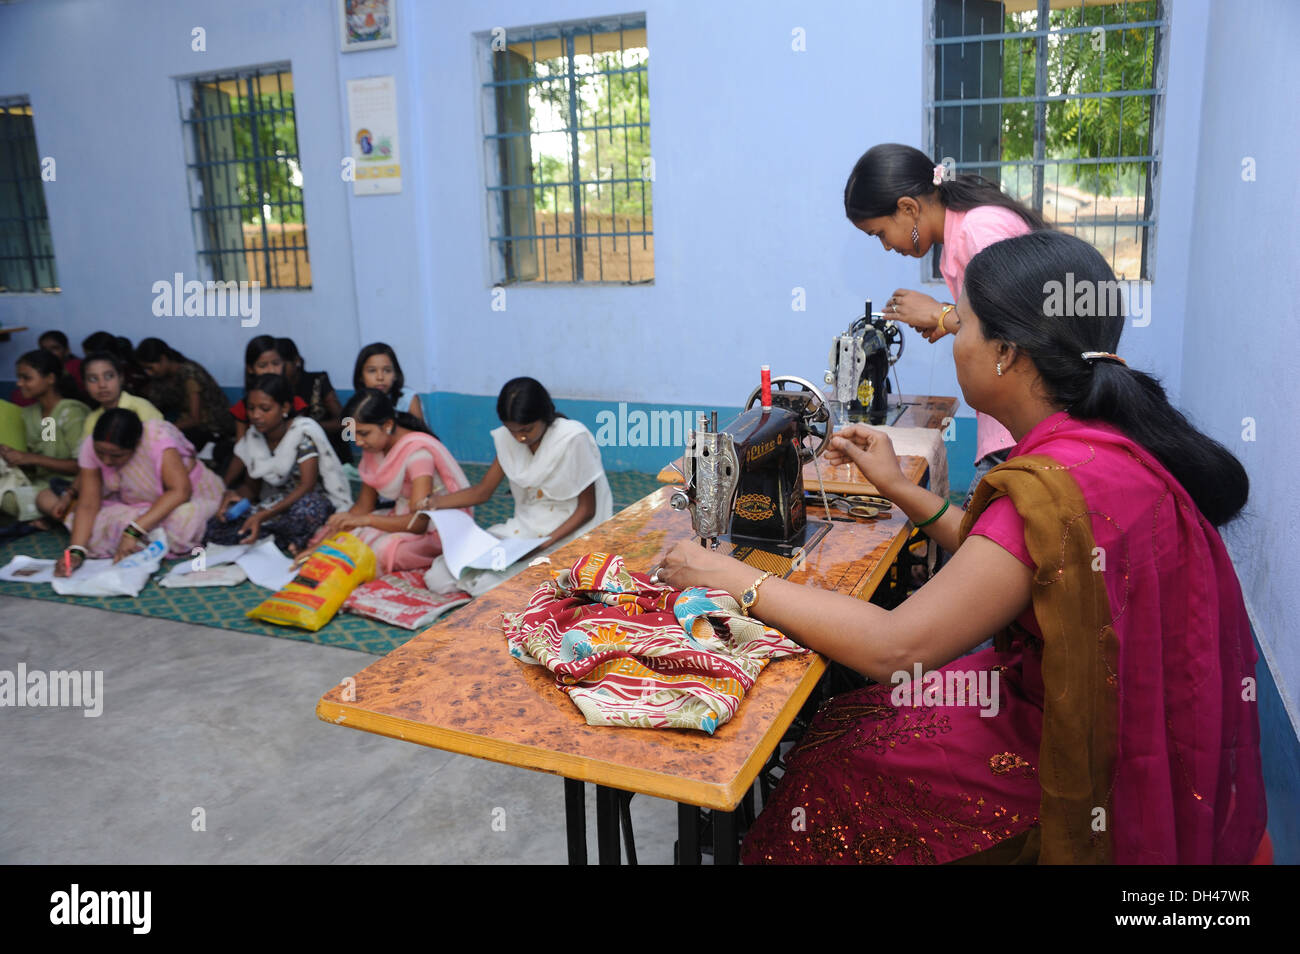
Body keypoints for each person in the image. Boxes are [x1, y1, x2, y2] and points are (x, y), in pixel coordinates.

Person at [656, 231, 1265, 865]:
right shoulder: (1098, 445)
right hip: (1109, 722)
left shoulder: (1054, 485)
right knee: (845, 719)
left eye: (963, 324)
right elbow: (1000, 558)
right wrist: (897, 488)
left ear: (1006, 353)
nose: (954, 340)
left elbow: (897, 648)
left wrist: (729, 575)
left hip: (1074, 759)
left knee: (835, 764)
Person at [844, 143, 1047, 498]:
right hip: (1010, 429)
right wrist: (949, 319)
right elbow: (993, 316)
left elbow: (1018, 325)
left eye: (879, 234)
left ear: (908, 207)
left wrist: (942, 314)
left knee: (974, 544)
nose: (887, 246)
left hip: (1018, 433)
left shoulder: (979, 230)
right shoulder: (963, 235)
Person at [421, 377, 612, 596]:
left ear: (544, 415)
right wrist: (434, 503)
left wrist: (541, 546)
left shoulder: (572, 438)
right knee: (438, 576)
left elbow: (587, 510)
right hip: (524, 530)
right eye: (512, 431)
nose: (519, 437)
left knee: (488, 584)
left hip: (568, 534)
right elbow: (483, 490)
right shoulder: (507, 439)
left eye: (526, 429)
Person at [302, 388, 468, 574]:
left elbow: (419, 522)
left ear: (388, 425)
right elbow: (364, 505)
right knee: (343, 538)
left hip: (436, 527)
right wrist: (325, 542)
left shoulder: (418, 454)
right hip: (401, 516)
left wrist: (366, 520)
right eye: (353, 434)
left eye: (363, 433)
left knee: (386, 552)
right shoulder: (374, 448)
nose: (357, 442)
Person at [55, 408, 225, 572]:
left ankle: (140, 540)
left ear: (136, 444)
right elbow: (88, 504)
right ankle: (147, 541)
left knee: (184, 521)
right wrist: (75, 552)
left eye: (116, 455)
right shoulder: (91, 446)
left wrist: (133, 531)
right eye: (100, 453)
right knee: (90, 525)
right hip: (138, 506)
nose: (106, 461)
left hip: (188, 497)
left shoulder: (156, 437)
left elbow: (180, 491)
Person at [206, 375, 351, 555]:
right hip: (273, 505)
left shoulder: (302, 433)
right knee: (214, 527)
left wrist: (264, 516)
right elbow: (251, 488)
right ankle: (283, 539)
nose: (256, 415)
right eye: (251, 409)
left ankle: (272, 537)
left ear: (284, 408)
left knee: (307, 509)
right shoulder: (255, 437)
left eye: (265, 409)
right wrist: (232, 501)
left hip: (305, 503)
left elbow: (307, 486)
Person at [0, 349, 89, 520]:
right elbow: (49, 450)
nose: (19, 383)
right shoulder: (38, 414)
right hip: (44, 483)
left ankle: (51, 514)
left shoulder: (70, 413)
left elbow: (82, 466)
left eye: (26, 378)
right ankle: (45, 514)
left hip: (71, 485)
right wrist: (13, 457)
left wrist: (30, 457)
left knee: (13, 500)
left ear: (50, 379)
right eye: (19, 378)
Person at [134, 337, 236, 471]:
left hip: (213, 427)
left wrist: (166, 428)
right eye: (145, 369)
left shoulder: (189, 374)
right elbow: (153, 405)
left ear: (163, 359)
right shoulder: (160, 379)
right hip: (193, 426)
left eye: (150, 368)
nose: (148, 372)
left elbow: (195, 419)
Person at [277, 337, 350, 464]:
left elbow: (345, 423)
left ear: (296, 361)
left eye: (280, 364)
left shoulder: (318, 381)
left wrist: (307, 426)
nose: (276, 370)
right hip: (291, 456)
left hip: (329, 452)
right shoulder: (273, 388)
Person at [227, 335, 308, 444]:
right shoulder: (242, 408)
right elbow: (241, 450)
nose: (271, 370)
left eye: (276, 363)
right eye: (262, 365)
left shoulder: (296, 403)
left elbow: (300, 444)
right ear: (250, 369)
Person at [352, 342, 424, 425]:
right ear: (360, 376)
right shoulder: (359, 402)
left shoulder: (407, 398)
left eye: (387, 370)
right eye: (372, 371)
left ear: (395, 374)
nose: (380, 377)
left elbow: (420, 434)